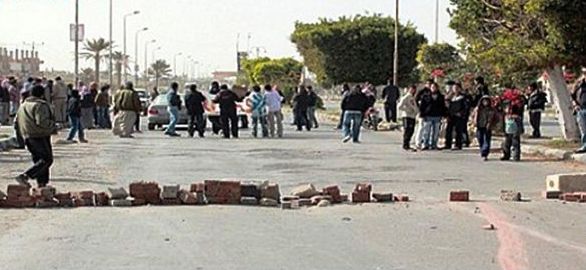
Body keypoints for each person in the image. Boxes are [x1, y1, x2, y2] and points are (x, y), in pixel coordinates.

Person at [14, 85, 56, 188]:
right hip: (40, 135)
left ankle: (42, 185)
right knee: (47, 159)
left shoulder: (23, 105)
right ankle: (25, 176)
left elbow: (16, 122)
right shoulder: (40, 105)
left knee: (39, 161)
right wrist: (53, 125)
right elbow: (41, 121)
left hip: (28, 136)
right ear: (42, 94)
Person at [419, 82, 446, 150]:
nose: (433, 89)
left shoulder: (441, 96)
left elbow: (443, 106)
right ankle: (425, 144)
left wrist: (444, 115)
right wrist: (422, 114)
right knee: (426, 131)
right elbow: (422, 106)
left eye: (435, 87)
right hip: (428, 115)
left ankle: (434, 144)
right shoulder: (425, 96)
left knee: (436, 132)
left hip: (437, 116)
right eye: (432, 87)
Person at [501, 87, 524, 161]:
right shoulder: (506, 103)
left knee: (515, 140)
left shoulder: (518, 103)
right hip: (508, 121)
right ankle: (507, 155)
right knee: (507, 140)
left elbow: (519, 113)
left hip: (515, 121)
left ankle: (516, 156)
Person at [471, 96, 498, 161]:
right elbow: (472, 116)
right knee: (480, 138)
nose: (485, 102)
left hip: (487, 127)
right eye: (484, 101)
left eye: (487, 101)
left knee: (486, 140)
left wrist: (492, 124)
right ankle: (482, 149)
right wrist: (473, 122)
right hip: (479, 126)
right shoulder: (477, 109)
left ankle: (485, 153)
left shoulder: (492, 109)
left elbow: (496, 118)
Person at [443, 83, 469, 150]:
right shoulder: (451, 97)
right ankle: (447, 144)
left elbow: (466, 108)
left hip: (459, 117)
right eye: (454, 88)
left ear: (460, 89)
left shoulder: (463, 97)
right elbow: (447, 107)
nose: (455, 90)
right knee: (448, 130)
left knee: (458, 131)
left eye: (457, 88)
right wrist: (447, 115)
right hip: (451, 116)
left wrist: (461, 113)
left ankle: (458, 144)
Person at [398, 85, 418, 151]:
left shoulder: (413, 97)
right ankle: (405, 144)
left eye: (414, 89)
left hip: (412, 116)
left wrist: (416, 111)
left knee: (411, 131)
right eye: (411, 89)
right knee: (407, 130)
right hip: (407, 116)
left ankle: (408, 143)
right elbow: (399, 106)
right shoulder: (406, 97)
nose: (413, 90)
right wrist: (407, 110)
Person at [414, 79, 434, 148]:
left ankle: (426, 142)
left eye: (430, 84)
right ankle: (418, 142)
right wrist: (418, 110)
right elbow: (415, 101)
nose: (429, 85)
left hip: (430, 113)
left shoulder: (432, 92)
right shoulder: (421, 92)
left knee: (427, 129)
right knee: (421, 127)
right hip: (422, 112)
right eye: (428, 84)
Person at [572, 79, 586, 153]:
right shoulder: (578, 84)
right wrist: (575, 105)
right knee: (583, 130)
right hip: (581, 109)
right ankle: (585, 146)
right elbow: (573, 96)